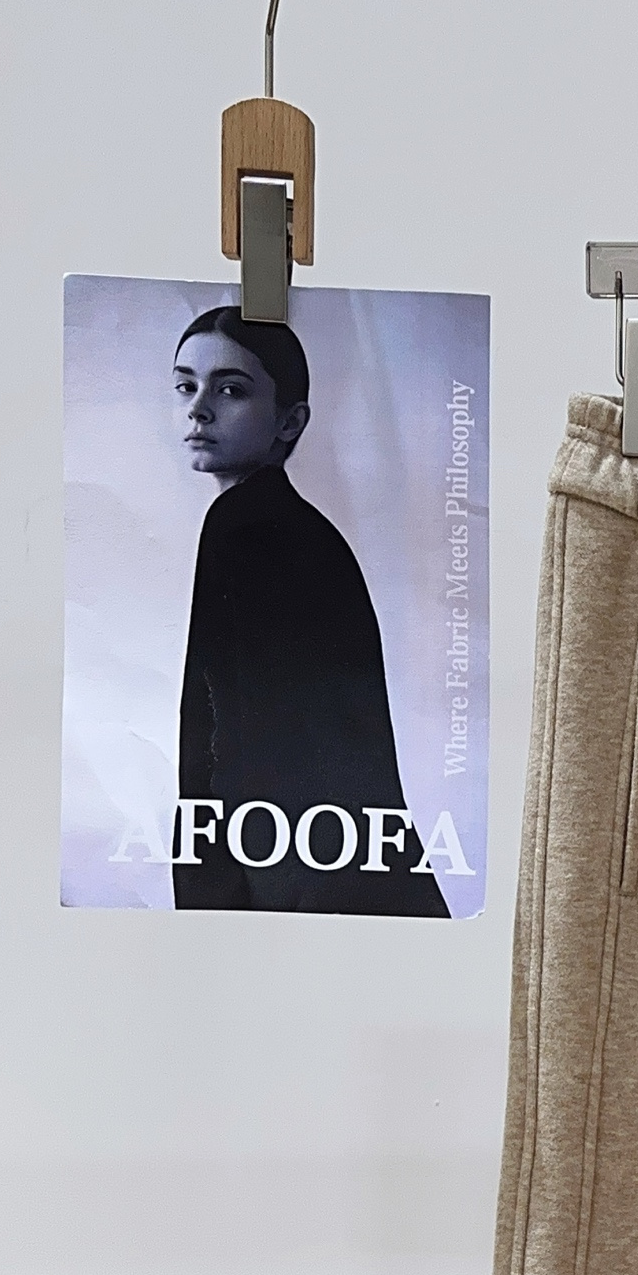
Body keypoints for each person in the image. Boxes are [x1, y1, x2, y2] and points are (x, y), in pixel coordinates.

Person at [173, 306, 448, 916]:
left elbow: (229, 744)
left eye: (230, 390)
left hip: (296, 889)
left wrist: (207, 901)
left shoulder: (247, 526)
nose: (199, 409)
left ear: (289, 421)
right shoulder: (298, 528)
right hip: (341, 879)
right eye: (186, 386)